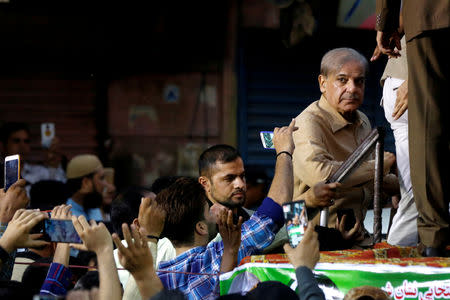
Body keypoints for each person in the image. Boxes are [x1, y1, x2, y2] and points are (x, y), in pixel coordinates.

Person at [156, 120, 297, 299]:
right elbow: (273, 214)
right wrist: (284, 153)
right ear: (204, 184)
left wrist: (310, 203)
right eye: (229, 178)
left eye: (242, 176)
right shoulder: (216, 251)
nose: (240, 184)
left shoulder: (160, 276)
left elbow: (293, 231)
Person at [292, 47, 398, 234]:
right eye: (342, 80)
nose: (352, 89)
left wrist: (400, 183)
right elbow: (319, 175)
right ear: (322, 83)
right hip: (307, 236)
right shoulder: (308, 122)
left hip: (354, 233)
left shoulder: (362, 120)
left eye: (359, 82)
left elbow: (372, 179)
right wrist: (378, 166)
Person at [374, 0, 450, 257]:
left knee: (417, 189)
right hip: (408, 66)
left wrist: (385, 21)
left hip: (427, 20)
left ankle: (432, 239)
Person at [373, 37, 418, 247]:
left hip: (400, 79)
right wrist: (416, 79)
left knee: (414, 192)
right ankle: (395, 254)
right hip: (414, 80)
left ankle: (396, 252)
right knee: (420, 193)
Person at [0, 122, 66, 192]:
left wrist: (54, 165)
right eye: (16, 141)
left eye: (26, 141)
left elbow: (60, 189)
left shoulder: (40, 172)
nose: (22, 146)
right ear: (2, 145)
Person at [65, 154, 107, 221]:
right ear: (85, 183)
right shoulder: (66, 218)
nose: (105, 184)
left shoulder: (94, 207)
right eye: (101, 178)